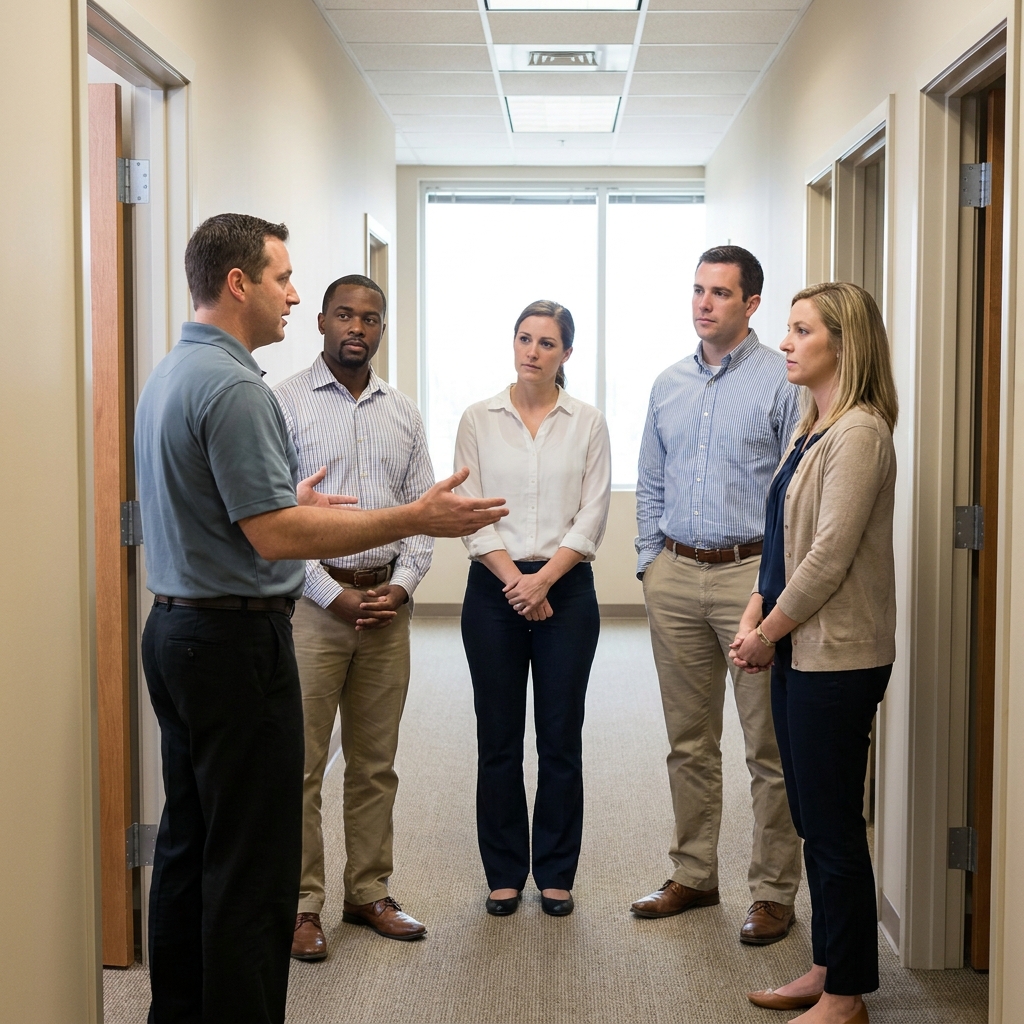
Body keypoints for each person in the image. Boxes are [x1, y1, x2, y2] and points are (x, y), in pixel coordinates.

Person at [135, 213, 506, 1024]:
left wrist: (285, 505)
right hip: (232, 641)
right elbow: (274, 536)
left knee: (192, 841)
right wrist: (414, 518)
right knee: (253, 861)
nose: (294, 296)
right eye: (283, 278)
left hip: (179, 631)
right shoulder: (238, 387)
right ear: (238, 284)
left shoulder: (175, 371)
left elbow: (230, 509)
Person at [732, 282, 898, 1024]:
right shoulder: (813, 426)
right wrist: (756, 613)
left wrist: (766, 635)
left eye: (801, 331)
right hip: (797, 646)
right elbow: (784, 543)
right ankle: (828, 967)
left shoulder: (860, 433)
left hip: (838, 656)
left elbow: (828, 558)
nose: (786, 343)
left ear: (843, 342)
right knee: (812, 816)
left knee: (832, 827)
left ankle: (846, 995)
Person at [631, 246, 804, 944]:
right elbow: (650, 478)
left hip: (750, 579)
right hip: (675, 574)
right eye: (699, 291)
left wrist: (774, 589)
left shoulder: (781, 381)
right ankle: (695, 874)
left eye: (722, 294)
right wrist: (650, 565)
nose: (705, 304)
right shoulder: (668, 383)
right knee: (688, 742)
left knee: (768, 747)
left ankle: (771, 891)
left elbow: (797, 493)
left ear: (752, 304)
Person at [273, 274, 435, 959]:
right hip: (315, 610)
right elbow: (272, 523)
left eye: (370, 317)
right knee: (302, 765)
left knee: (375, 763)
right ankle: (301, 905)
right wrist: (328, 592)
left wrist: (399, 587)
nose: (357, 328)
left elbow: (424, 515)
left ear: (381, 327)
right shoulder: (280, 404)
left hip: (385, 612)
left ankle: (369, 890)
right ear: (321, 321)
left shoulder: (403, 412)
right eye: (344, 315)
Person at [454, 299, 611, 918]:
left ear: (566, 354)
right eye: (524, 339)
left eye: (547, 343)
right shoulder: (478, 418)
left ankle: (554, 870)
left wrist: (543, 581)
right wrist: (515, 584)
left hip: (566, 590)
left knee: (559, 737)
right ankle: (503, 872)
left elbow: (593, 511)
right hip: (492, 589)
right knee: (497, 739)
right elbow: (469, 509)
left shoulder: (588, 423)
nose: (532, 352)